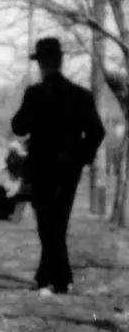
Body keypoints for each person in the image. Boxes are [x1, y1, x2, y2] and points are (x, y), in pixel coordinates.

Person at [11, 37, 106, 296]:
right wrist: (80, 157)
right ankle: (48, 277)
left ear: (41, 64)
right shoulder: (81, 96)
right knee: (58, 223)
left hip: (40, 168)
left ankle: (59, 280)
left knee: (47, 225)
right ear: (61, 62)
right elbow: (97, 132)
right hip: (68, 170)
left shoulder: (35, 94)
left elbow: (18, 126)